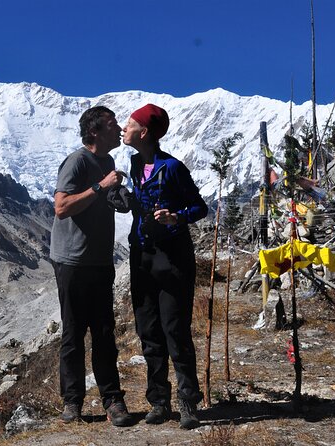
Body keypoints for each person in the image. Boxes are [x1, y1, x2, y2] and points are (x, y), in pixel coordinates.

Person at [122, 104, 208, 430]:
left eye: (129, 124)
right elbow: (139, 206)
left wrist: (176, 217)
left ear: (143, 132)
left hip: (172, 258)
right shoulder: (133, 165)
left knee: (175, 329)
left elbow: (200, 207)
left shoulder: (172, 168)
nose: (123, 128)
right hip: (141, 256)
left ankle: (188, 402)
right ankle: (158, 401)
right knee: (149, 331)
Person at [49, 105, 134, 427]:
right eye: (113, 124)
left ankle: (113, 399)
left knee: (103, 333)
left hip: (99, 260)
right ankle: (72, 402)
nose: (119, 129)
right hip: (72, 260)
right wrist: (100, 186)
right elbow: (61, 207)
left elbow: (103, 202)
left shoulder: (107, 162)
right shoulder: (77, 161)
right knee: (73, 333)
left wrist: (117, 195)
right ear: (95, 131)